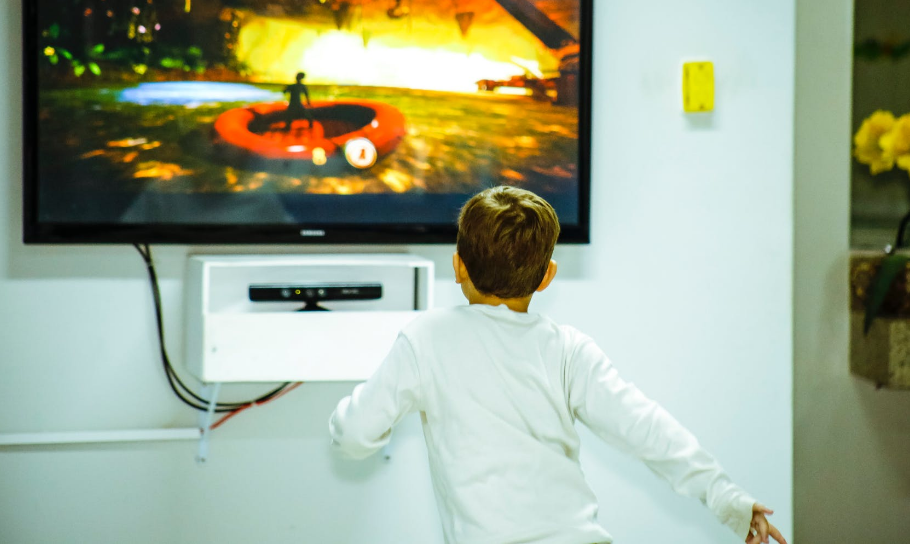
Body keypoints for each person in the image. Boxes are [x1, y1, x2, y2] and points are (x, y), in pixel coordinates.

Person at [329, 186, 786, 544]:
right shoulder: (567, 349)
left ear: (458, 266)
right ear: (547, 276)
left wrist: (351, 419)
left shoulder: (426, 340)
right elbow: (647, 428)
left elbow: (352, 437)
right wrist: (728, 497)